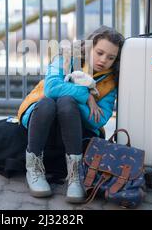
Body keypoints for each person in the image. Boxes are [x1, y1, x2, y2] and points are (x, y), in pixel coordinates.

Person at [16, 26, 124, 203]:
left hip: (75, 123)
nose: (103, 60)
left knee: (66, 102)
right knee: (49, 102)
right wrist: (87, 95)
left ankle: (75, 175)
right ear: (89, 47)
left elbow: (100, 119)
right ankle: (34, 169)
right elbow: (51, 89)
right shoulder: (65, 57)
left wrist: (73, 101)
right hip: (42, 114)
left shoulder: (110, 81)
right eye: (100, 52)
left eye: (111, 57)